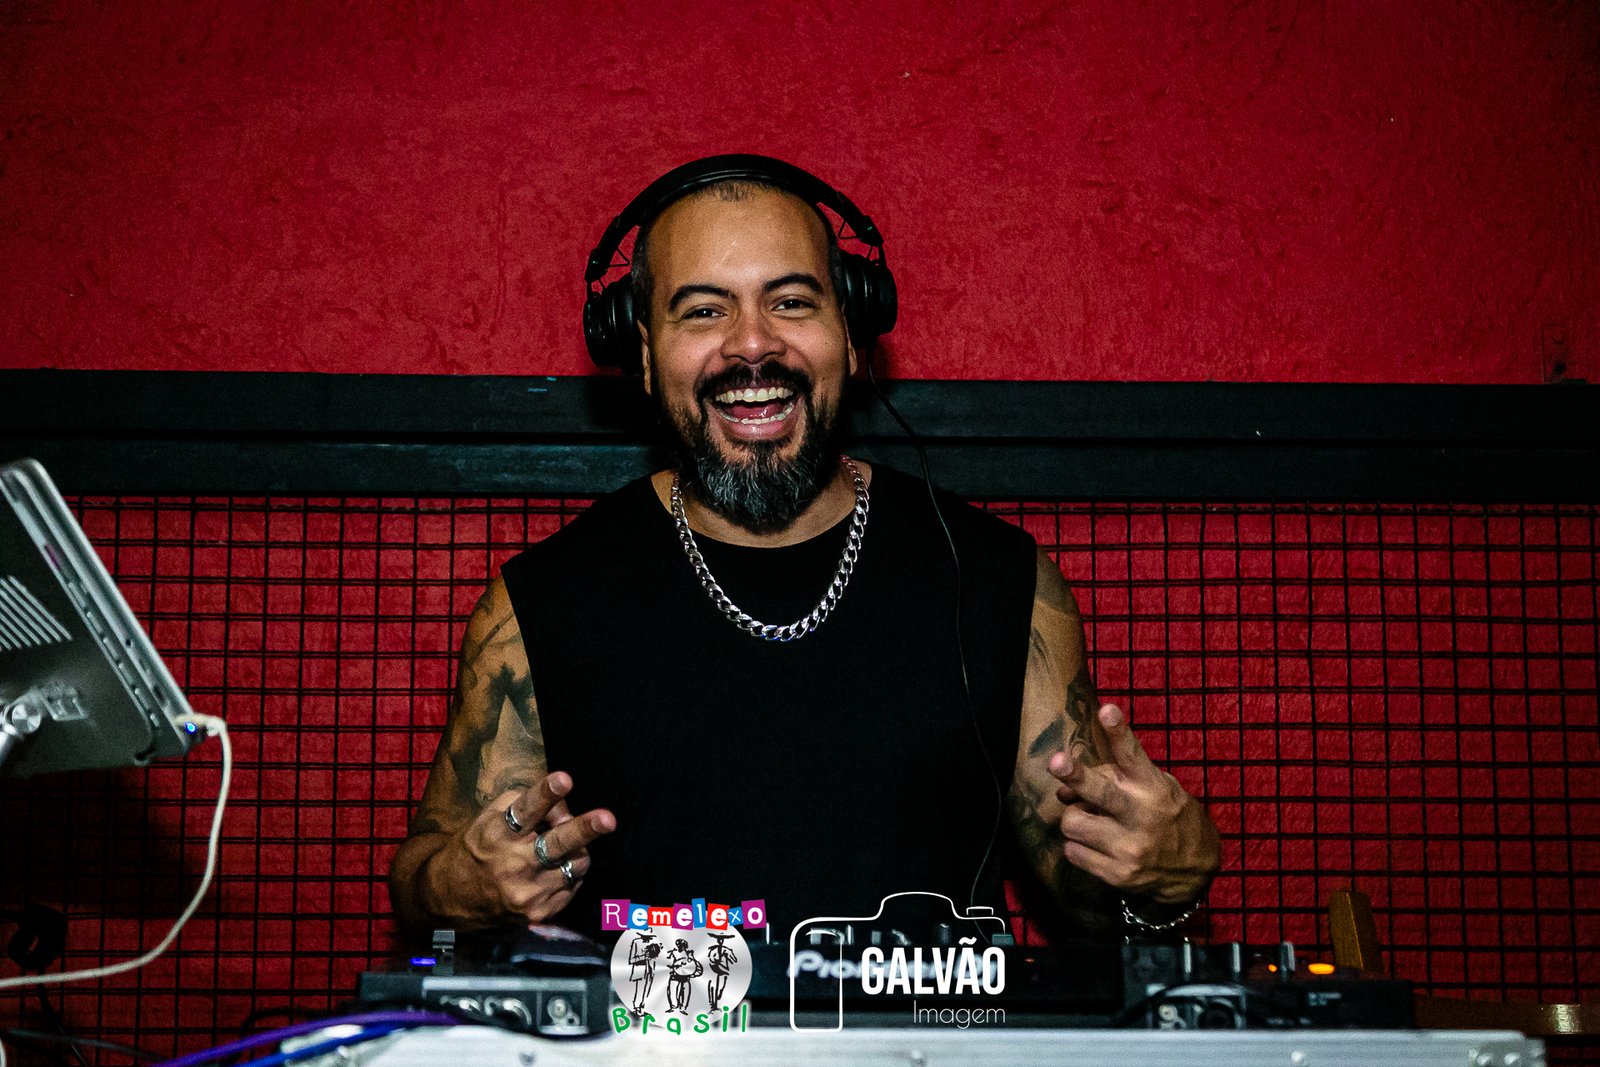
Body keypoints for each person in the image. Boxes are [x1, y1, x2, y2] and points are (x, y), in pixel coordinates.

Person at [388, 156, 1220, 941]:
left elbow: (1092, 896)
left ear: (852, 334)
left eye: (790, 302)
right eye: (703, 310)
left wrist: (1163, 879)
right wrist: (465, 883)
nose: (752, 345)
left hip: (931, 1037)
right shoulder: (540, 603)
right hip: (660, 1034)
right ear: (641, 353)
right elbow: (426, 878)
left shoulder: (1002, 583)